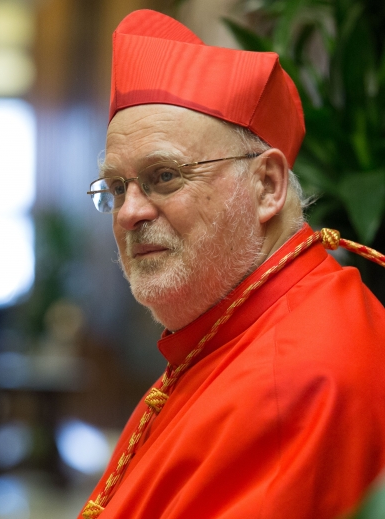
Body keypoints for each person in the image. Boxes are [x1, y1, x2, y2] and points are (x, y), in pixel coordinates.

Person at [79, 10, 385, 519]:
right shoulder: (235, 328)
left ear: (266, 186)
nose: (130, 212)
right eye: (116, 188)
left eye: (165, 175)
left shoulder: (294, 379)